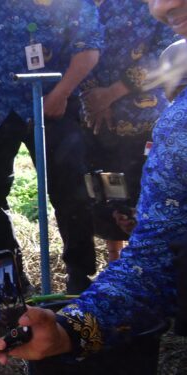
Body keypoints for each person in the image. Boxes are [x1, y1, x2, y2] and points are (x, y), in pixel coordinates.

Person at [0, 0, 187, 363]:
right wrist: (68, 330)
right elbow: (156, 260)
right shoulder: (178, 128)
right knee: (110, 203)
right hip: (99, 127)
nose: (163, 6)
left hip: (131, 120)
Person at [0, 0, 103, 294]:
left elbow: (88, 47)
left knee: (70, 191)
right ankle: (9, 281)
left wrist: (62, 92)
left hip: (55, 104)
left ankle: (79, 275)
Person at [80, 0, 178, 262]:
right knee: (107, 193)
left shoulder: (154, 5)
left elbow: (163, 54)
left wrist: (111, 94)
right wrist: (94, 98)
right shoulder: (84, 5)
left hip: (146, 118)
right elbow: (77, 47)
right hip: (98, 119)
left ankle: (147, 264)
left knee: (143, 195)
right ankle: (115, 264)